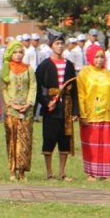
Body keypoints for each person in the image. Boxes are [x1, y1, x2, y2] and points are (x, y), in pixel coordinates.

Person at [35, 30, 79, 181]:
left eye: (62, 44)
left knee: (64, 138)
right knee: (49, 137)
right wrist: (46, 103)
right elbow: (37, 89)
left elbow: (74, 89)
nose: (60, 47)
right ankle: (49, 172)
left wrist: (75, 110)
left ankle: (62, 172)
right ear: (51, 45)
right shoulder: (44, 65)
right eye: (57, 44)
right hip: (51, 108)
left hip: (66, 107)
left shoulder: (69, 65)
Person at [77, 44, 110, 181]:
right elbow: (81, 95)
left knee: (106, 145)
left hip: (106, 114)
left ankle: (105, 173)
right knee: (92, 144)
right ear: (90, 57)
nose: (99, 60)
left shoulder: (107, 73)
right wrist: (82, 114)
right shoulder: (84, 73)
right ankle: (91, 173)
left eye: (102, 57)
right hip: (91, 115)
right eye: (96, 57)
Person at [0, 39, 36, 181]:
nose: (18, 55)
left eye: (21, 52)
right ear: (10, 53)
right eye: (15, 52)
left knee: (25, 141)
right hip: (12, 110)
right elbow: (3, 88)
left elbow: (33, 86)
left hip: (26, 110)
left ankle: (22, 171)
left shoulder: (29, 69)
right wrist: (11, 104)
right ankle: (12, 170)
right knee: (12, 139)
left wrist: (28, 103)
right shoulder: (5, 69)